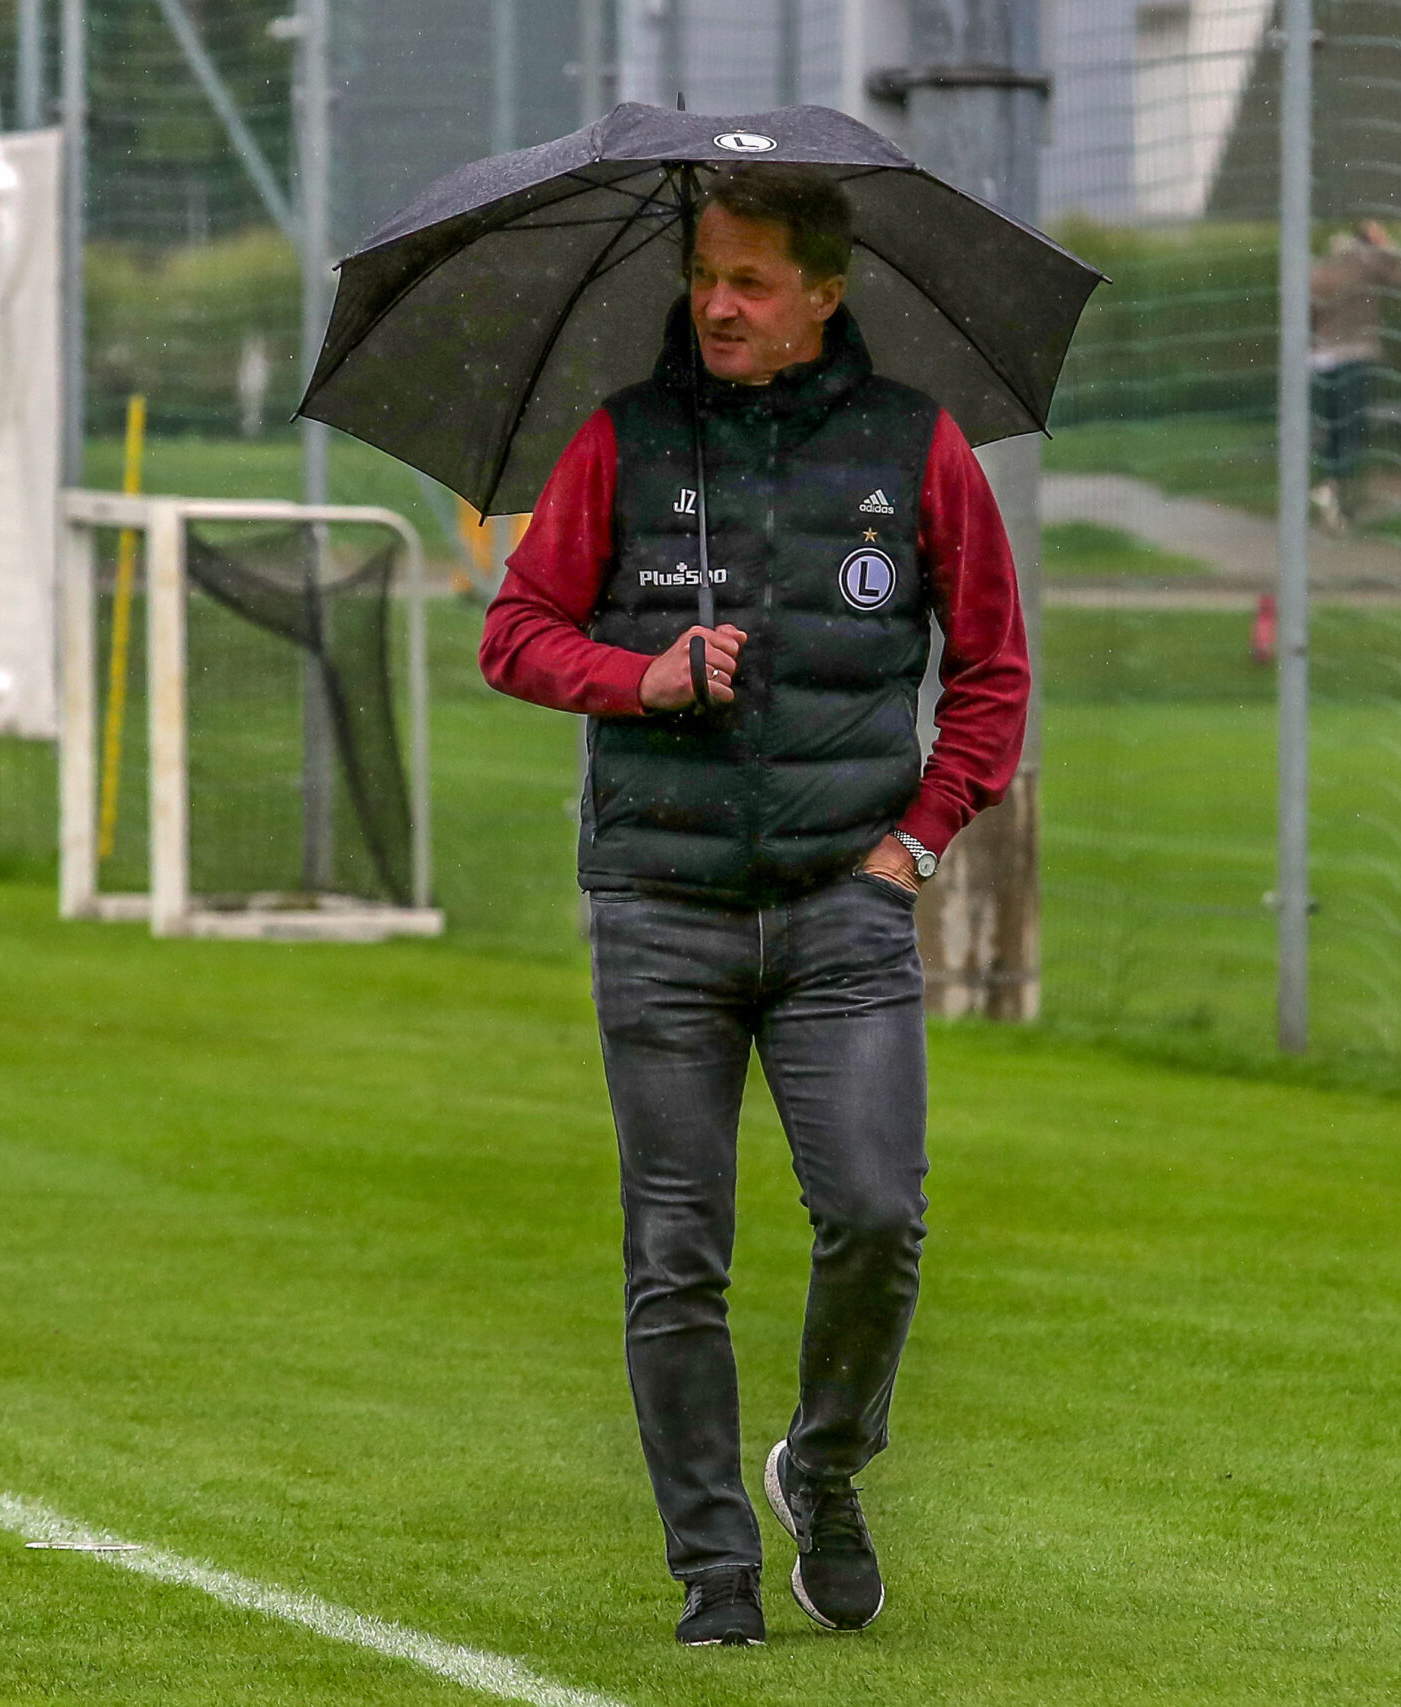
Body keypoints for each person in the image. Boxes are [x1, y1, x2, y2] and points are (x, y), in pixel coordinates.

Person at [478, 165, 1029, 1647]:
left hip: (846, 910)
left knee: (873, 1215)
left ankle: (826, 1462)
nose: (719, 305)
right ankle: (713, 1569)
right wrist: (638, 675)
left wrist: (913, 842)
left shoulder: (919, 448)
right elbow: (514, 632)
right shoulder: (622, 441)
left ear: (823, 296)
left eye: (752, 283)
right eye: (706, 277)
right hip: (659, 904)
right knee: (678, 1250)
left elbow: (989, 677)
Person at [1307, 219, 1401, 530]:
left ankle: (1331, 488)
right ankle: (1336, 492)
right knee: (1353, 427)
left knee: (1335, 427)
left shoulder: (1320, 269)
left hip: (1322, 357)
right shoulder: (1367, 265)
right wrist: (1387, 246)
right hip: (1355, 354)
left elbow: (1309, 314)